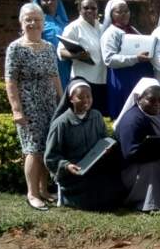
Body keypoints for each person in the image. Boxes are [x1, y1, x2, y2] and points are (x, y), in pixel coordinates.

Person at [5, 2, 63, 211]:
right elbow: (10, 80)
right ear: (21, 23)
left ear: (43, 22)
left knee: (47, 148)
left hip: (49, 104)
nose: (33, 23)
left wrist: (61, 100)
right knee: (33, 149)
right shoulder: (15, 48)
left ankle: (44, 190)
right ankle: (32, 193)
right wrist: (16, 109)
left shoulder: (49, 48)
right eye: (28, 19)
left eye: (37, 19)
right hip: (29, 104)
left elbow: (55, 76)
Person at [43, 78, 125, 211]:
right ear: (71, 99)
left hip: (95, 167)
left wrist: (107, 147)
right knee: (93, 194)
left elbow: (103, 138)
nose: (86, 100)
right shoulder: (61, 124)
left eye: (89, 96)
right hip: (74, 173)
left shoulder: (96, 116)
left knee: (114, 181)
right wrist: (67, 165)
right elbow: (50, 156)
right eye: (80, 97)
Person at [114, 78, 160, 211]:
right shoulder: (132, 120)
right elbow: (129, 153)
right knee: (154, 168)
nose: (157, 104)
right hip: (136, 167)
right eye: (151, 100)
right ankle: (150, 203)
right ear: (139, 99)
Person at [100, 0, 155, 120]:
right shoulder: (111, 33)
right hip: (122, 78)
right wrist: (136, 58)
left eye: (126, 11)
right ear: (111, 15)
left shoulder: (132, 29)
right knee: (124, 110)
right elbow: (108, 59)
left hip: (136, 77)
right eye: (119, 12)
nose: (124, 14)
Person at [57, 0, 108, 115]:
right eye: (86, 8)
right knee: (83, 114)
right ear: (79, 10)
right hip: (83, 80)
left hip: (102, 79)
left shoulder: (101, 27)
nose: (90, 10)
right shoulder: (73, 27)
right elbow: (61, 51)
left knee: (99, 115)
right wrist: (77, 55)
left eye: (93, 8)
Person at [33, 0, 70, 84]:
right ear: (39, 2)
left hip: (67, 65)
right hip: (48, 68)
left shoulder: (64, 22)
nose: (50, 2)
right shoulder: (37, 23)